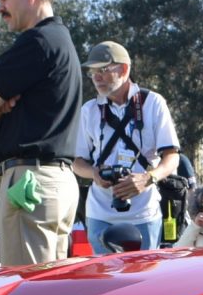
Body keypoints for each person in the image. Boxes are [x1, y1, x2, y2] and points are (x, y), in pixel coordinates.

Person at [0, 0, 81, 266]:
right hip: (57, 182)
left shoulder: (37, 42)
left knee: (26, 292)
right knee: (49, 291)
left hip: (29, 183)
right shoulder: (61, 40)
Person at [71, 41, 182, 254]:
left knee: (144, 280)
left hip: (144, 213)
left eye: (103, 69)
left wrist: (147, 178)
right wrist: (94, 173)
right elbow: (76, 162)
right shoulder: (89, 110)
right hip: (100, 214)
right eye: (92, 72)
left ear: (124, 69)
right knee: (105, 280)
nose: (97, 77)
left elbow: (172, 156)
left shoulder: (153, 103)